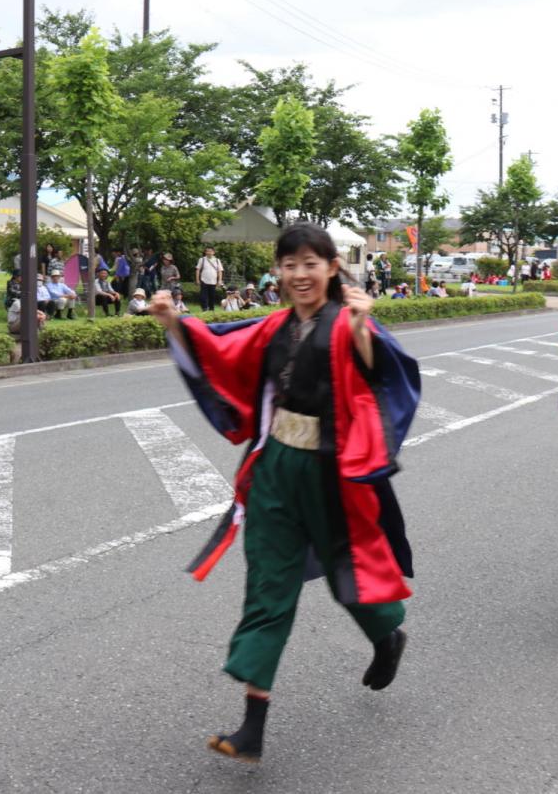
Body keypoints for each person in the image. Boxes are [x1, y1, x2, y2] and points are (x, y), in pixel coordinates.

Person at [149, 222, 420, 763]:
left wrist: (365, 327)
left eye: (310, 263)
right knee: (269, 587)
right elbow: (220, 349)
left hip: (333, 475)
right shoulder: (273, 328)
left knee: (349, 576)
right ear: (278, 270)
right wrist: (175, 323)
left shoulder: (349, 323)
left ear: (332, 268)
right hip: (274, 469)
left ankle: (387, 634)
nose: (300, 274)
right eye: (290, 264)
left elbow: (382, 370)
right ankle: (252, 724)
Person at [196, 246, 223, 311]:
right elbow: (198, 270)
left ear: (213, 252)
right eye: (207, 251)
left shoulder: (217, 260)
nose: (209, 252)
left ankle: (211, 309)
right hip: (204, 281)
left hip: (213, 282)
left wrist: (219, 280)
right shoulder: (202, 259)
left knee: (212, 297)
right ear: (205, 252)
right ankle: (204, 309)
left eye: (210, 251)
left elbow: (220, 271)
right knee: (203, 297)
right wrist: (197, 279)